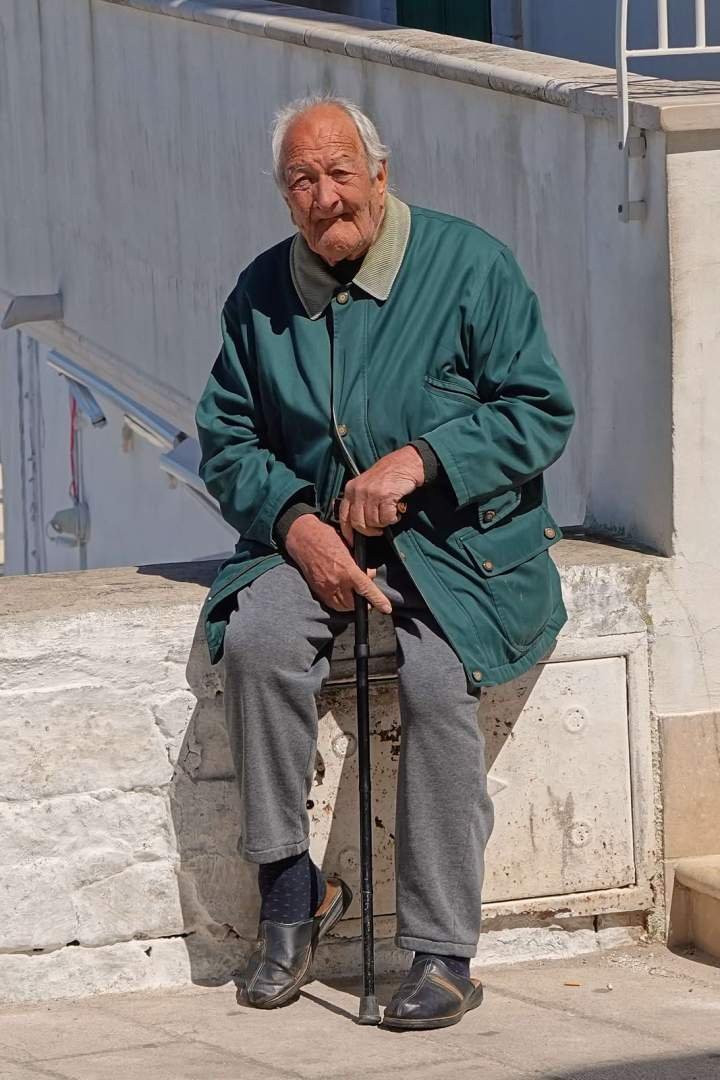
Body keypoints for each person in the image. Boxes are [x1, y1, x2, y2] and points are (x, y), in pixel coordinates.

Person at [195, 93, 575, 1030]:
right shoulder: (259, 294)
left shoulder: (470, 265)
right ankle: (293, 896)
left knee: (439, 686)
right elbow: (228, 441)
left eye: (339, 173)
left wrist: (424, 459)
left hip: (459, 547)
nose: (325, 197)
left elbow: (539, 410)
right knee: (258, 641)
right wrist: (296, 524)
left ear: (380, 175)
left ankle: (443, 953)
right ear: (284, 196)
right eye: (302, 181)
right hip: (320, 539)